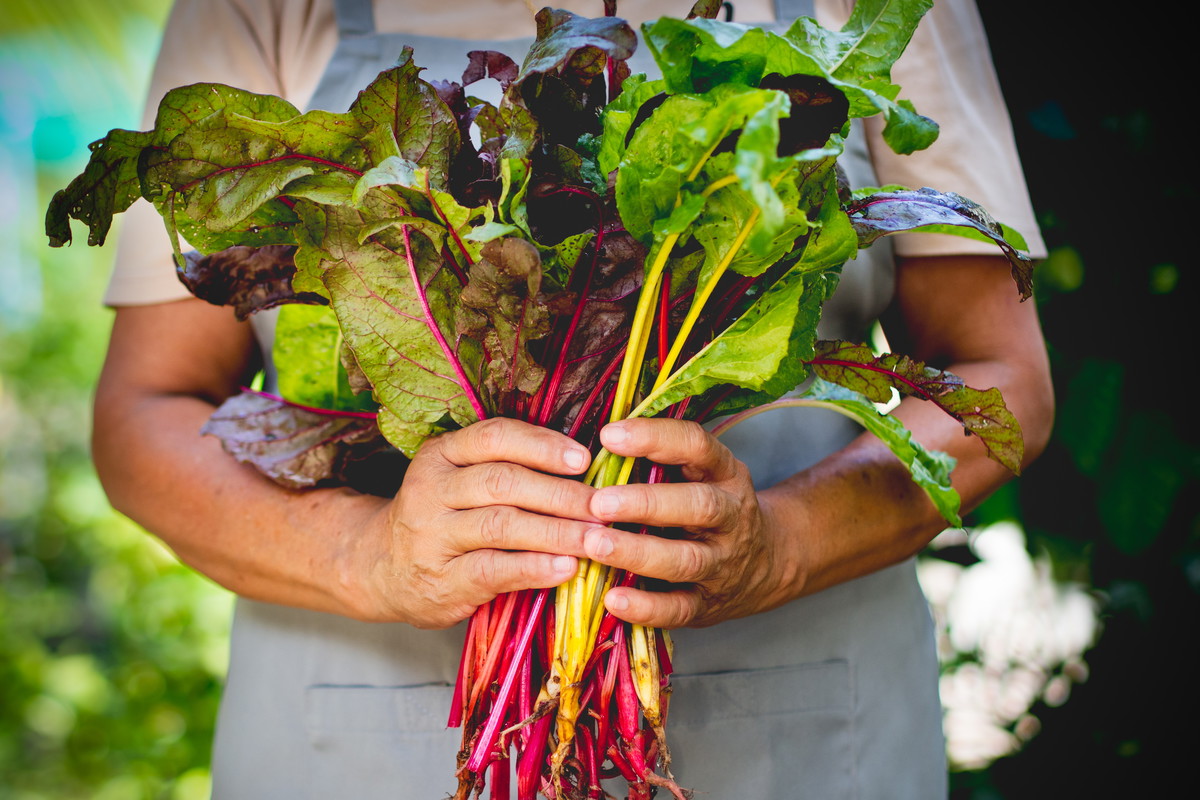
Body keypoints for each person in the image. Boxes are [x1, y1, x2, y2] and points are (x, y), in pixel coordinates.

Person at [93, 0, 1054, 797]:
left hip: (803, 739)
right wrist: (368, 557)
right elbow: (145, 414)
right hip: (351, 742)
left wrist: (785, 544)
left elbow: (1002, 378)